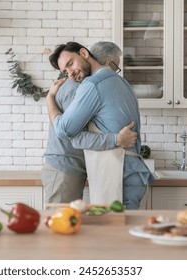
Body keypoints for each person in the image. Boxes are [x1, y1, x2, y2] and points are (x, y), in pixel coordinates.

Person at [47, 41, 154, 209]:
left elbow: (64, 130)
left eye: (70, 64)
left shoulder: (92, 85)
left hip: (118, 173)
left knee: (111, 232)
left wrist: (49, 99)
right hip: (132, 173)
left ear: (84, 53)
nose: (70, 74)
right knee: (124, 232)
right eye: (65, 71)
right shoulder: (122, 82)